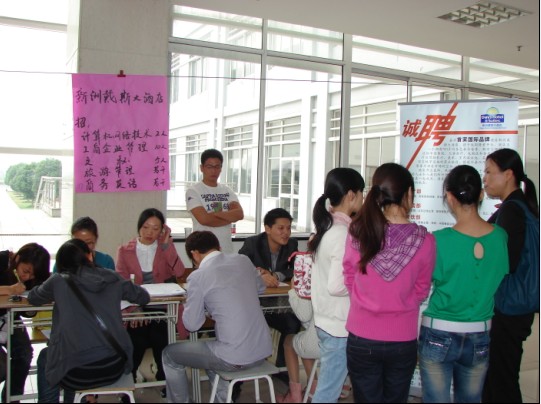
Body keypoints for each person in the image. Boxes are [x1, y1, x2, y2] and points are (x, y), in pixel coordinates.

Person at [343, 162, 436, 403]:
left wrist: (365, 301)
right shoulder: (425, 240)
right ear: (409, 194)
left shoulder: (358, 232)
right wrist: (401, 302)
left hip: (361, 336)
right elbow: (422, 289)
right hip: (403, 338)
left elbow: (349, 276)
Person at [419, 165, 509, 403]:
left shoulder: (438, 240)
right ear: (481, 194)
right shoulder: (500, 237)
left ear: (449, 197)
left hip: (438, 330)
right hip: (480, 332)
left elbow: (424, 282)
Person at [28, 239, 150, 402]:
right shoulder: (112, 277)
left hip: (76, 375)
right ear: (90, 256)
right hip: (113, 367)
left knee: (46, 357)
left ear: (61, 264)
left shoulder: (58, 281)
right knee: (68, 357)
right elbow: (143, 297)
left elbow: (33, 297)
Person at [162, 231, 272, 403]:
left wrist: (192, 304)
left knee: (169, 354)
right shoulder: (242, 260)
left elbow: (192, 325)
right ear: (218, 247)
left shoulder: (198, 276)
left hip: (235, 357)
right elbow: (260, 288)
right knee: (211, 354)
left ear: (194, 254)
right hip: (262, 350)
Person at [482, 148, 540, 403]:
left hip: (508, 308)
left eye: (489, 172)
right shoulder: (519, 206)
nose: (485, 179)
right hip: (517, 307)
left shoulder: (512, 210)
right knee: (501, 375)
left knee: (501, 379)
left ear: (508, 175)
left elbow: (507, 262)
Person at [309, 167, 365, 403]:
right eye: (362, 193)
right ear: (351, 195)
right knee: (328, 393)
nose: (363, 199)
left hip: (327, 321)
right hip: (338, 326)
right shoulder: (342, 233)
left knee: (330, 387)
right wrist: (363, 283)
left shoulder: (328, 227)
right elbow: (336, 285)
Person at [115, 208, 185, 392]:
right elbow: (121, 284)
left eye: (155, 229)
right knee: (137, 340)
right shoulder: (125, 250)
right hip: (136, 308)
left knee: (160, 337)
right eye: (146, 227)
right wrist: (134, 311)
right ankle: (128, 381)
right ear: (139, 227)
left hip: (162, 308)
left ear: (162, 230)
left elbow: (179, 272)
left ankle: (164, 380)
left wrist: (167, 245)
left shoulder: (164, 247)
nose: (149, 233)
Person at [238, 208, 301, 379]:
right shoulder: (252, 243)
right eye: (281, 228)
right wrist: (259, 275)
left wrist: (276, 275)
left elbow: (296, 269)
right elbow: (240, 267)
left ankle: (282, 368)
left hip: (278, 305)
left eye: (288, 228)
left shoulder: (292, 245)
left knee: (293, 323)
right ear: (267, 228)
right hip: (253, 306)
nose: (286, 232)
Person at [0, 242, 50, 402]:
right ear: (18, 259)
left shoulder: (33, 279)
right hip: (4, 320)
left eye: (32, 275)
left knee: (24, 354)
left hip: (9, 320)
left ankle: (11, 399)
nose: (27, 277)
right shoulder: (2, 260)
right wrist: (10, 290)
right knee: (1, 368)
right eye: (25, 271)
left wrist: (30, 308)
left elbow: (25, 310)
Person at [185, 148, 244, 253]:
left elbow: (239, 214)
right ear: (201, 168)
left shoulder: (227, 190)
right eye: (209, 167)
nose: (213, 171)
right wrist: (229, 217)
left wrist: (215, 214)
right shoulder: (193, 191)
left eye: (217, 166)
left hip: (226, 250)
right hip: (203, 251)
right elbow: (204, 219)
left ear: (221, 168)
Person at [276, 286, 319, 403]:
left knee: (289, 341)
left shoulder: (306, 278)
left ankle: (294, 396)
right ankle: (313, 388)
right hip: (342, 342)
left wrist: (293, 291)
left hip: (319, 342)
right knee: (303, 340)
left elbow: (304, 315)